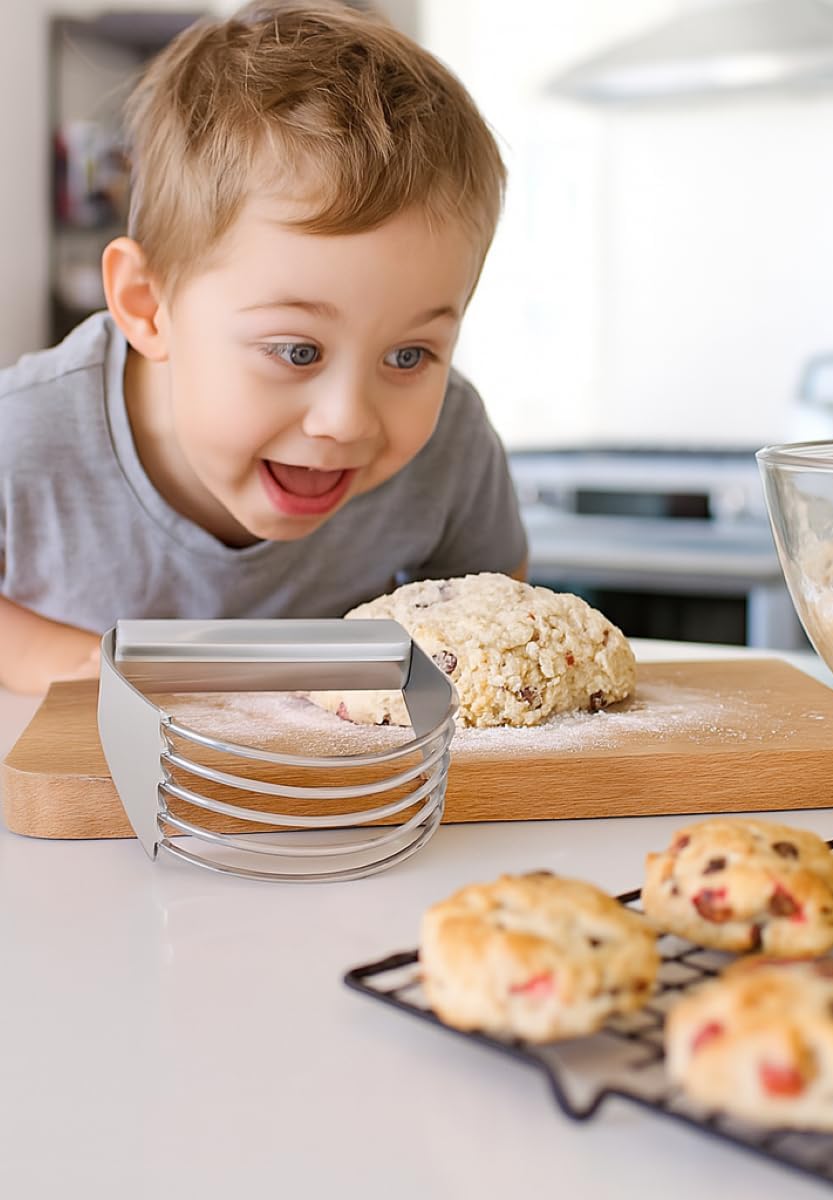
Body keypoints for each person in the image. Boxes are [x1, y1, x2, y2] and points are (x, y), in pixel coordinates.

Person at [0, 0, 528, 695]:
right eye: (297, 351)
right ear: (146, 305)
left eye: (407, 356)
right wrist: (79, 670)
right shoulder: (23, 432)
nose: (345, 420)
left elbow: (497, 621)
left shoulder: (451, 443)